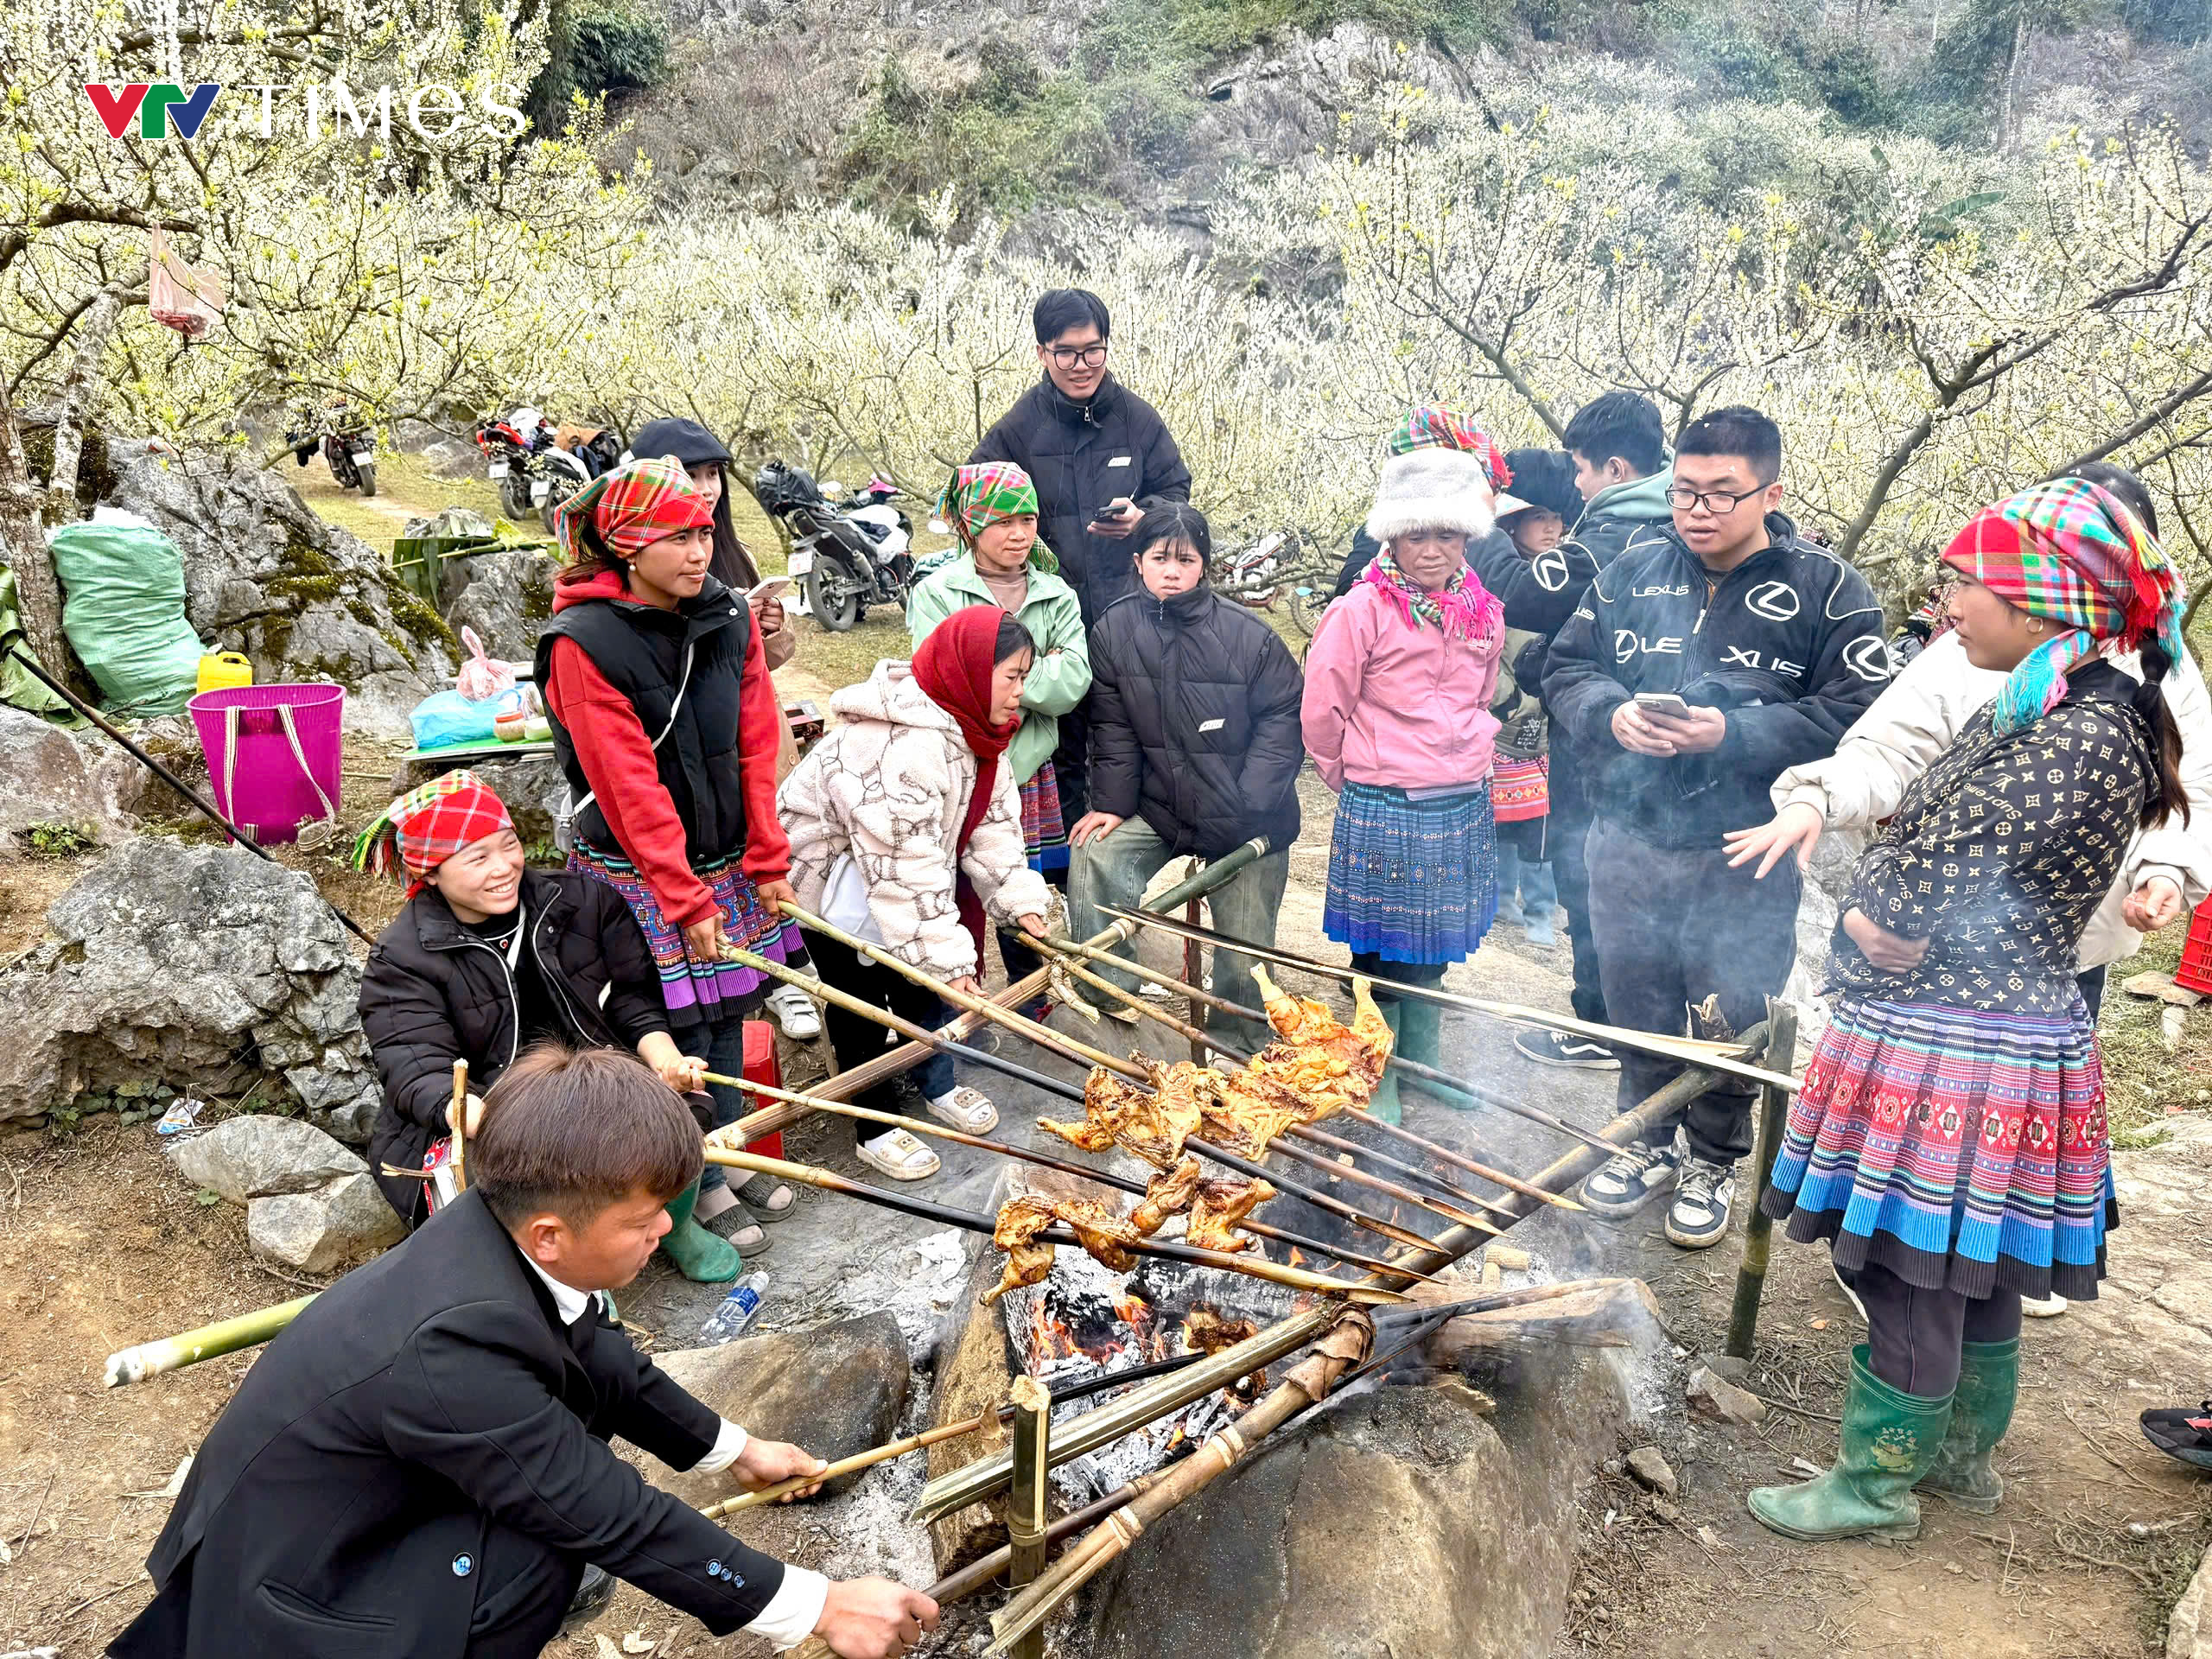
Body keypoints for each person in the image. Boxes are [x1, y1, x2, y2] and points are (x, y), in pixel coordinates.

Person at [108, 1046, 939, 1659]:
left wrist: (737, 1450)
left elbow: (603, 1358)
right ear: (553, 1232)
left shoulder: (494, 1230)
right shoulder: (450, 1351)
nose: (663, 1231)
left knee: (567, 1474)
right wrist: (819, 1605)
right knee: (547, 1549)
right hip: (297, 1592)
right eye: (647, 1218)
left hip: (331, 1519)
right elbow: (606, 1511)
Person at [1739, 476, 2190, 1541]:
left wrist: (1863, 909)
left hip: (1954, 1043)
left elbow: (1918, 891)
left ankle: (1871, 1487)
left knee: (1905, 1268)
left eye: (1962, 587)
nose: (1946, 609)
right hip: (2002, 1030)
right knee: (1973, 1266)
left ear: (2042, 602)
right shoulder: (2054, 694)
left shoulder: (2077, 732)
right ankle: (1955, 1464)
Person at [1543, 405, 1891, 1249]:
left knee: (1732, 1010)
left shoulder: (1827, 590)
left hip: (1747, 848)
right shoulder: (1630, 567)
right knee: (1634, 1001)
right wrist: (1611, 714)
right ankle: (1646, 1143)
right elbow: (1563, 667)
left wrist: (1728, 733)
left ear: (1769, 493)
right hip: (1625, 836)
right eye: (1686, 493)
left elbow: (1863, 714)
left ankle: (1713, 1157)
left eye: (1721, 496)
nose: (1697, 511)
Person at [534, 456, 798, 1282]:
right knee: (673, 1030)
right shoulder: (584, 644)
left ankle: (723, 1143)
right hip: (642, 869)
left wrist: (765, 854)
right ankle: (700, 1180)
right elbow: (624, 782)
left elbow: (757, 741)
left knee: (729, 1008)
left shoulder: (727, 617)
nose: (699, 550)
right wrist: (683, 896)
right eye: (677, 535)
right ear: (624, 542)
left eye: (704, 531)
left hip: (720, 854)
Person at [352, 771, 723, 1230]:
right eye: (477, 858)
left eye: (509, 844)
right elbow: (415, 1064)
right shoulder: (402, 957)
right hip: (493, 1109)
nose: (504, 867)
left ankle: (661, 1226)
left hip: (593, 1084)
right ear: (430, 872)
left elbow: (631, 998)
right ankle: (567, 1265)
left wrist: (664, 1060)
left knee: (681, 1116)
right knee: (504, 1187)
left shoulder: (584, 901)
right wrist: (491, 1122)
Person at [779, 607, 1055, 1179]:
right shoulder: (899, 746)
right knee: (862, 1006)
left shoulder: (979, 731)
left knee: (920, 991)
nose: (1020, 693)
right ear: (971, 670)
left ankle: (938, 1084)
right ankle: (874, 1125)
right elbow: (903, 865)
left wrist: (1020, 898)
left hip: (906, 876)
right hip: (836, 886)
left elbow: (994, 826)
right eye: (1011, 676)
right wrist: (946, 957)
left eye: (1025, 677)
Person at [1301, 432, 1510, 1122]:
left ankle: (1423, 1062)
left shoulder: (1485, 613)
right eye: (1416, 534)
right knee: (1382, 951)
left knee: (1439, 942)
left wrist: (1464, 754)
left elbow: (1482, 697)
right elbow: (1323, 710)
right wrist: (1357, 775)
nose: (1432, 549)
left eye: (1447, 535)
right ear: (1392, 536)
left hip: (1459, 799)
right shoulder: (1359, 610)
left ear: (1467, 538)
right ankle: (1377, 1070)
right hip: (1384, 800)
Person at [1066, 505, 1306, 1052]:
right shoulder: (1113, 628)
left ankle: (1236, 1035)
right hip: (1160, 805)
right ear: (1138, 562)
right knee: (1095, 854)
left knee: (1244, 942)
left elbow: (1283, 720)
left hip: (1248, 815)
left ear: (1205, 567)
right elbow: (1114, 726)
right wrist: (1111, 801)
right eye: (1159, 558)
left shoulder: (1250, 637)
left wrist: (1248, 807)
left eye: (1185, 559)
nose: (1171, 571)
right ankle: (1110, 999)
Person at [630, 416, 823, 1040]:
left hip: (751, 731)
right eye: (692, 474)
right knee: (716, 872)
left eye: (713, 474)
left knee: (767, 855)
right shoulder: (635, 574)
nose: (707, 487)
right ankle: (746, 984)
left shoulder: (726, 551)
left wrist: (767, 631)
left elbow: (763, 662)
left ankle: (785, 978)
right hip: (687, 753)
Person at [969, 287, 1193, 823]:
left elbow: (1176, 491)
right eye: (1065, 352)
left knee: (1128, 737)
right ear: (1042, 352)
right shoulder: (1021, 426)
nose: (1081, 365)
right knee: (1059, 746)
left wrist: (1147, 520)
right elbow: (974, 495)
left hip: (1130, 612)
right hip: (1050, 618)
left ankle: (1129, 859)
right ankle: (1062, 872)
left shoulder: (1137, 420)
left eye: (1093, 350)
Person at [1515, 391, 1677, 1071]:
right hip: (1669, 748)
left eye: (1580, 470)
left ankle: (1602, 1024)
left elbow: (1523, 594)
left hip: (1603, 745)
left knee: (1590, 875)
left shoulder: (1612, 536)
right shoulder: (1682, 525)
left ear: (1612, 468)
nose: (1576, 485)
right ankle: (1645, 1026)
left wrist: (1482, 519)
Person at [906, 462, 1091, 1006]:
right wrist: (1040, 664)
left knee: (1023, 885)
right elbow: (940, 679)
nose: (1019, 534)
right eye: (1002, 522)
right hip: (960, 765)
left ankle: (1032, 997)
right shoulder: (938, 591)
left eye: (1029, 520)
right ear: (970, 523)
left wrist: (996, 672)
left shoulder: (1055, 594)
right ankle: (955, 1000)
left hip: (1028, 766)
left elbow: (1074, 681)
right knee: (953, 887)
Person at [1489, 499, 1563, 949]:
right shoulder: (1500, 584)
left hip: (1548, 724)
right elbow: (1487, 651)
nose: (1552, 527)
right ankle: (1501, 901)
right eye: (1541, 517)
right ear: (1513, 526)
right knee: (1503, 816)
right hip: (1505, 719)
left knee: (1541, 822)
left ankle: (1540, 912)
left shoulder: (1568, 579)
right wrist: (1511, 703)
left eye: (1556, 518)